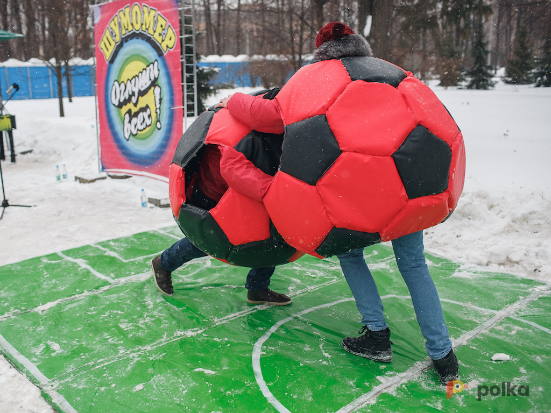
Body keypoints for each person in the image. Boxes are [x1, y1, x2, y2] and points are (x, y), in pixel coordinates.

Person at [215, 22, 459, 385]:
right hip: (409, 185)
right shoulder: (388, 70)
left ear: (321, 50)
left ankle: (377, 336)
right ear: (359, 46)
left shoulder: (310, 78)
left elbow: (267, 118)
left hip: (354, 192)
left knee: (351, 253)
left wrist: (231, 100)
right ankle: (444, 357)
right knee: (413, 264)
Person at [150, 135, 291, 306]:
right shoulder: (241, 126)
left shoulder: (275, 127)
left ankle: (258, 287)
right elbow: (233, 168)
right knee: (212, 241)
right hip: (220, 192)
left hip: (252, 189)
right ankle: (164, 262)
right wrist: (274, 188)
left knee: (269, 238)